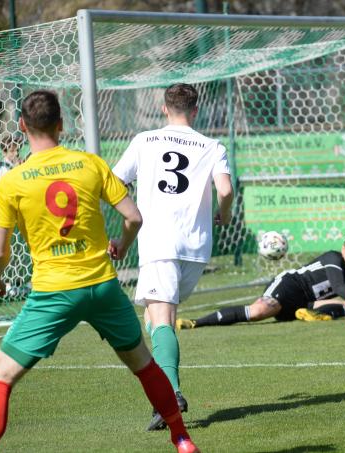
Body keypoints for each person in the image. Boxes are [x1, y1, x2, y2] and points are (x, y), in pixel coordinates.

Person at [0, 90, 199, 453]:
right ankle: (182, 439)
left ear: (22, 127)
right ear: (61, 125)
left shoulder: (13, 181)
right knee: (145, 366)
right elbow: (134, 217)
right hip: (103, 288)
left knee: (0, 378)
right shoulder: (89, 164)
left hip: (54, 292)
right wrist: (123, 244)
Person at [112, 83, 234, 431]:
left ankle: (172, 396)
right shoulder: (212, 146)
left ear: (164, 109)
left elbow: (116, 181)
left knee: (161, 319)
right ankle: (167, 393)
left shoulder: (145, 140)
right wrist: (224, 216)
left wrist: (128, 218)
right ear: (195, 111)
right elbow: (225, 190)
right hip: (196, 249)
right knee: (154, 316)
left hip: (160, 242)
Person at [175, 233, 345, 327]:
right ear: (343, 249)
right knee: (257, 312)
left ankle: (311, 314)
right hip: (290, 286)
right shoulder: (333, 258)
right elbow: (339, 287)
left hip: (304, 303)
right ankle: (196, 322)